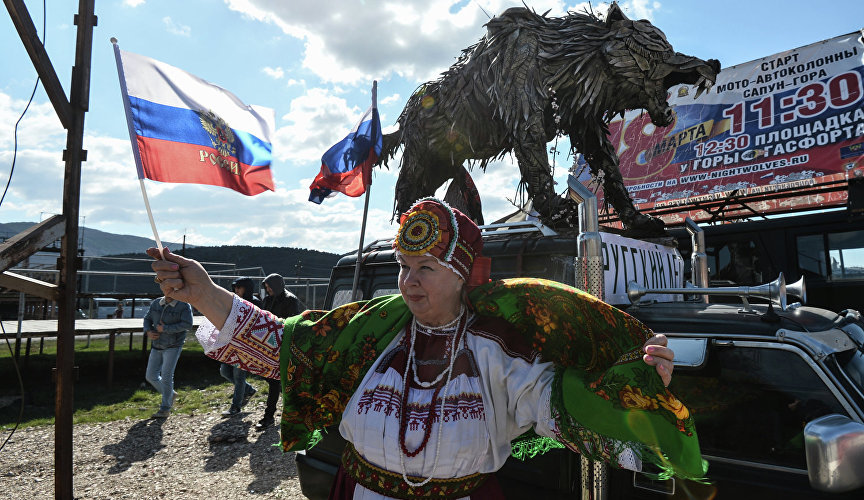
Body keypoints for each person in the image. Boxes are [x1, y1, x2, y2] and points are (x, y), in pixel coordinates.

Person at [149, 198, 704, 498]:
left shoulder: (498, 349)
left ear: (462, 275)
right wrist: (203, 292)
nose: (409, 282)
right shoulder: (370, 332)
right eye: (404, 267)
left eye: (426, 269)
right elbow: (284, 345)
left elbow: (564, 404)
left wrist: (637, 383)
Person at [256, 273, 305, 429]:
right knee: (273, 380)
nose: (268, 289)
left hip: (284, 345)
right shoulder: (268, 299)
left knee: (276, 381)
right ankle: (288, 411)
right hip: (269, 344)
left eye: (270, 286)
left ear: (276, 285)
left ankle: (269, 416)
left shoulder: (291, 300)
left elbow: (294, 323)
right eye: (266, 287)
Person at [143, 294, 193, 419]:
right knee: (150, 376)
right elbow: (147, 318)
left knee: (166, 376)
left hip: (173, 345)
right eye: (166, 290)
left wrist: (165, 328)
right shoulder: (156, 303)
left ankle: (165, 408)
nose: (168, 293)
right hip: (157, 344)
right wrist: (148, 331)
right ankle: (171, 394)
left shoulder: (184, 305)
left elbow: (187, 324)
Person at [218, 277, 261, 416]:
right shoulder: (233, 302)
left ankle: (235, 407)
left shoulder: (256, 303)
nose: (236, 290)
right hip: (230, 344)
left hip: (245, 347)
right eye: (235, 287)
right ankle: (249, 390)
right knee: (224, 371)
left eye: (239, 287)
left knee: (239, 377)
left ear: (247, 288)